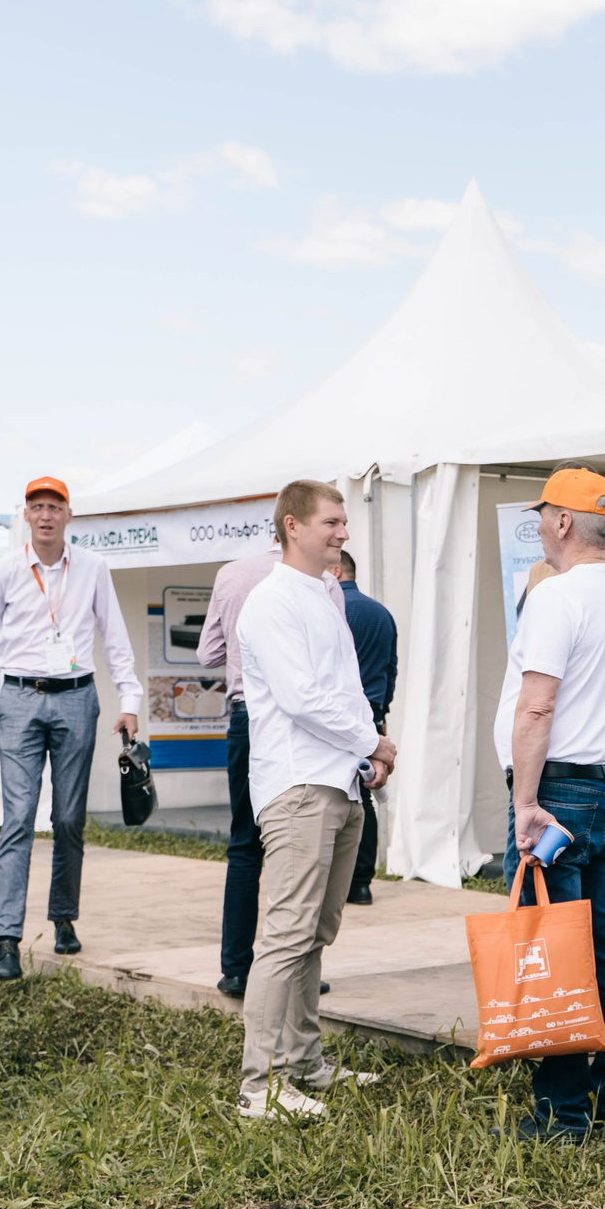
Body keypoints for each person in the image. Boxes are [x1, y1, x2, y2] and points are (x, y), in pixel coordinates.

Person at [235, 479, 394, 1121]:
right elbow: (301, 698)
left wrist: (365, 758)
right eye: (331, 522)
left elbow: (343, 690)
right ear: (292, 526)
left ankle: (304, 1064)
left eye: (344, 521)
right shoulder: (272, 600)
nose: (343, 532)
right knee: (287, 936)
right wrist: (373, 741)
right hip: (298, 786)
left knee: (314, 934)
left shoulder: (323, 593)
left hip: (338, 780)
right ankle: (260, 1087)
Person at [496, 466, 605, 1143]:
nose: (536, 526)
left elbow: (537, 705)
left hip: (557, 792)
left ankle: (562, 1112)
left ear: (562, 521)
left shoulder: (556, 596)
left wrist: (525, 801)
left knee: (552, 950)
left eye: (541, 514)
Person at [0, 476, 142, 981]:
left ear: (69, 515)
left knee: (68, 817)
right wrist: (24, 645)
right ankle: (7, 939)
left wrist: (130, 700)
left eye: (54, 506)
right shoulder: (2, 571)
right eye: (37, 506)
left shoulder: (92, 567)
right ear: (26, 515)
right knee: (18, 818)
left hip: (76, 698)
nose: (45, 515)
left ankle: (63, 916)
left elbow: (114, 636)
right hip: (20, 698)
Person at [519, 535, 605, 993]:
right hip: (584, 753)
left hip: (579, 756)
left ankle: (592, 1011)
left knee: (599, 893)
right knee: (601, 895)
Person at [201, 543, 281, 998]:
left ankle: (235, 969)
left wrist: (238, 649)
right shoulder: (319, 578)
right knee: (298, 847)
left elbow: (207, 653)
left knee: (245, 844)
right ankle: (293, 970)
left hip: (246, 715)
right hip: (294, 722)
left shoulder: (230, 574)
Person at [335, 549, 397, 905]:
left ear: (335, 571)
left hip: (337, 714)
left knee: (331, 792)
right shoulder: (381, 613)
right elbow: (390, 668)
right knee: (365, 793)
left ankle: (337, 880)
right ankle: (361, 882)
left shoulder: (331, 609)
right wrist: (381, 715)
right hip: (371, 712)